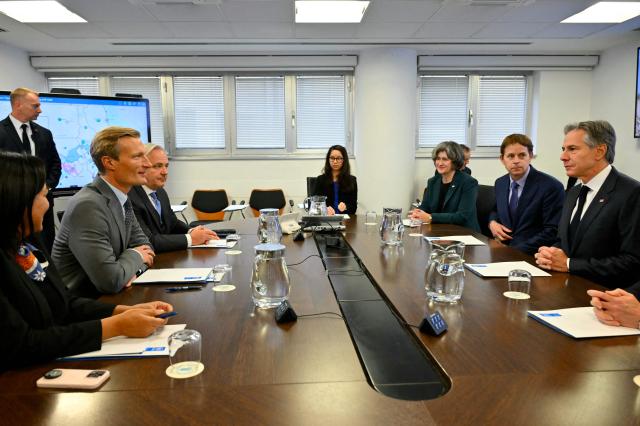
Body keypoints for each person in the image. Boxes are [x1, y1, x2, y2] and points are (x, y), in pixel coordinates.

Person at [0, 151, 172, 371]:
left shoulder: (28, 243)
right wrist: (117, 325)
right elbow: (22, 345)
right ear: (17, 199)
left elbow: (65, 304)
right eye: (43, 196)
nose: (48, 205)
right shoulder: (88, 204)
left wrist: (124, 311)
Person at [52, 126, 156, 298]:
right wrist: (136, 255)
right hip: (82, 309)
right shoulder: (87, 205)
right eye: (138, 156)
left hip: (111, 298)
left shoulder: (121, 198)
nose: (148, 163)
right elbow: (111, 280)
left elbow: (148, 248)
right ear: (109, 162)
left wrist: (131, 272)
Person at [535, 120, 640, 289]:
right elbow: (564, 241)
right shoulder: (573, 192)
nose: (563, 157)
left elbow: (633, 262)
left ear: (599, 151)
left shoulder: (631, 193)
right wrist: (551, 254)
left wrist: (569, 264)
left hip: (606, 296)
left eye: (572, 149)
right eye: (563, 149)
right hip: (565, 288)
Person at [0, 87, 61, 253]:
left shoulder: (44, 133)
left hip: (42, 207)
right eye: (35, 106)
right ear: (18, 105)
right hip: (12, 208)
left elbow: (55, 165)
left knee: (45, 253)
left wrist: (46, 187)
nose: (40, 110)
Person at [129, 144, 218, 253]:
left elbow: (172, 223)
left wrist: (192, 231)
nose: (165, 172)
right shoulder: (130, 196)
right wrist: (191, 238)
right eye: (157, 166)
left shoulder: (161, 192)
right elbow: (148, 241)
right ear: (142, 167)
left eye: (166, 166)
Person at [488, 134, 565, 255]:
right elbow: (496, 209)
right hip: (501, 251)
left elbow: (552, 231)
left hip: (533, 256)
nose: (516, 161)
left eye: (522, 155)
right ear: (502, 159)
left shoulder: (551, 186)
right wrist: (492, 222)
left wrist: (515, 251)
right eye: (510, 156)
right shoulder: (500, 183)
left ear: (530, 156)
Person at [410, 141, 480, 232]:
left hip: (464, 234)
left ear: (455, 162)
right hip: (439, 232)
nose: (440, 163)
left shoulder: (469, 182)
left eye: (445, 159)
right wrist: (418, 212)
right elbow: (425, 206)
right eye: (438, 159)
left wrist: (431, 217)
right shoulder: (432, 182)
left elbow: (462, 216)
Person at [312, 145, 358, 215]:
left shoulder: (352, 180)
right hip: (326, 220)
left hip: (345, 220)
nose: (335, 161)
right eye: (332, 158)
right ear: (328, 159)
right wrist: (324, 209)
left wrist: (346, 207)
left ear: (344, 160)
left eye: (339, 158)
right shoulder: (320, 180)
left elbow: (353, 208)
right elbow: (313, 204)